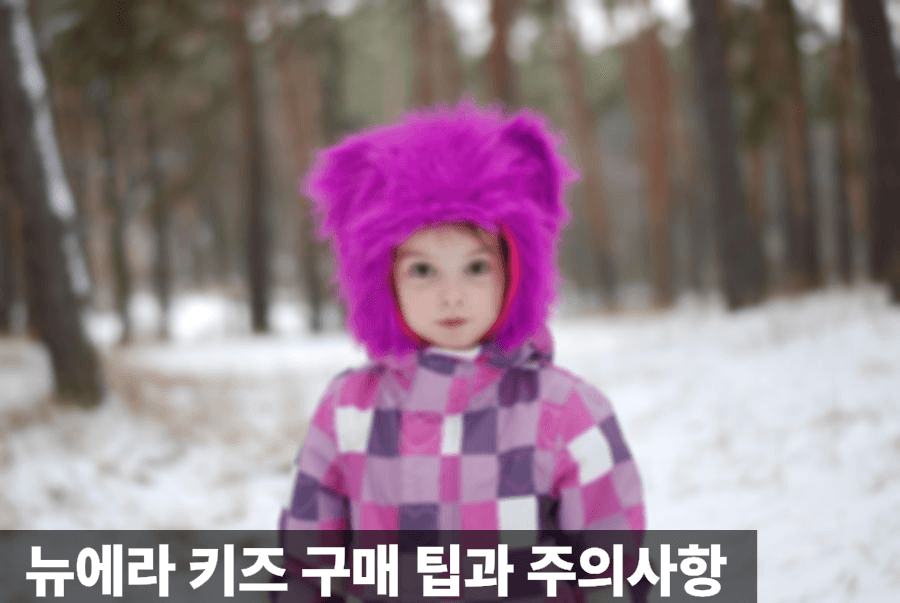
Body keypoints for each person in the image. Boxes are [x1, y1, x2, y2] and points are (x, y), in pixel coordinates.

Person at [277, 101, 647, 601]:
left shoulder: (566, 414)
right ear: (382, 280)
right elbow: (305, 562)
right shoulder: (348, 410)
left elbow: (613, 570)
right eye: (423, 271)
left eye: (475, 268)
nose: (451, 296)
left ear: (515, 271)